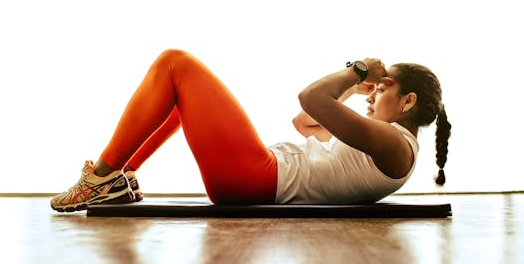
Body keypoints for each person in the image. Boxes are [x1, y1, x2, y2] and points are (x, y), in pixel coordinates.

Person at [50, 49, 451, 212]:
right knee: (179, 94)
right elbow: (306, 123)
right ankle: (119, 176)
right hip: (258, 172)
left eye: (382, 89)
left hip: (256, 176)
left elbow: (309, 98)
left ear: (408, 102)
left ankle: (100, 176)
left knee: (175, 63)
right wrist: (352, 85)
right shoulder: (381, 144)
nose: (371, 96)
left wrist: (357, 70)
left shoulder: (395, 144)